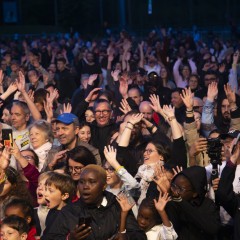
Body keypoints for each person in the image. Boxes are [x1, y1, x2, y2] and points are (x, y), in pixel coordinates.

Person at [44, 165, 147, 240]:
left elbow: (139, 236)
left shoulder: (118, 206)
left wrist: (124, 236)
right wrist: (69, 238)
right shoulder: (69, 211)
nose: (85, 187)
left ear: (103, 186)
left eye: (92, 182)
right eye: (81, 182)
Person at [41, 172, 76, 239]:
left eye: (50, 191)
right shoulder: (52, 211)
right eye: (45, 189)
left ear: (64, 196)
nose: (45, 194)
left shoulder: (69, 216)